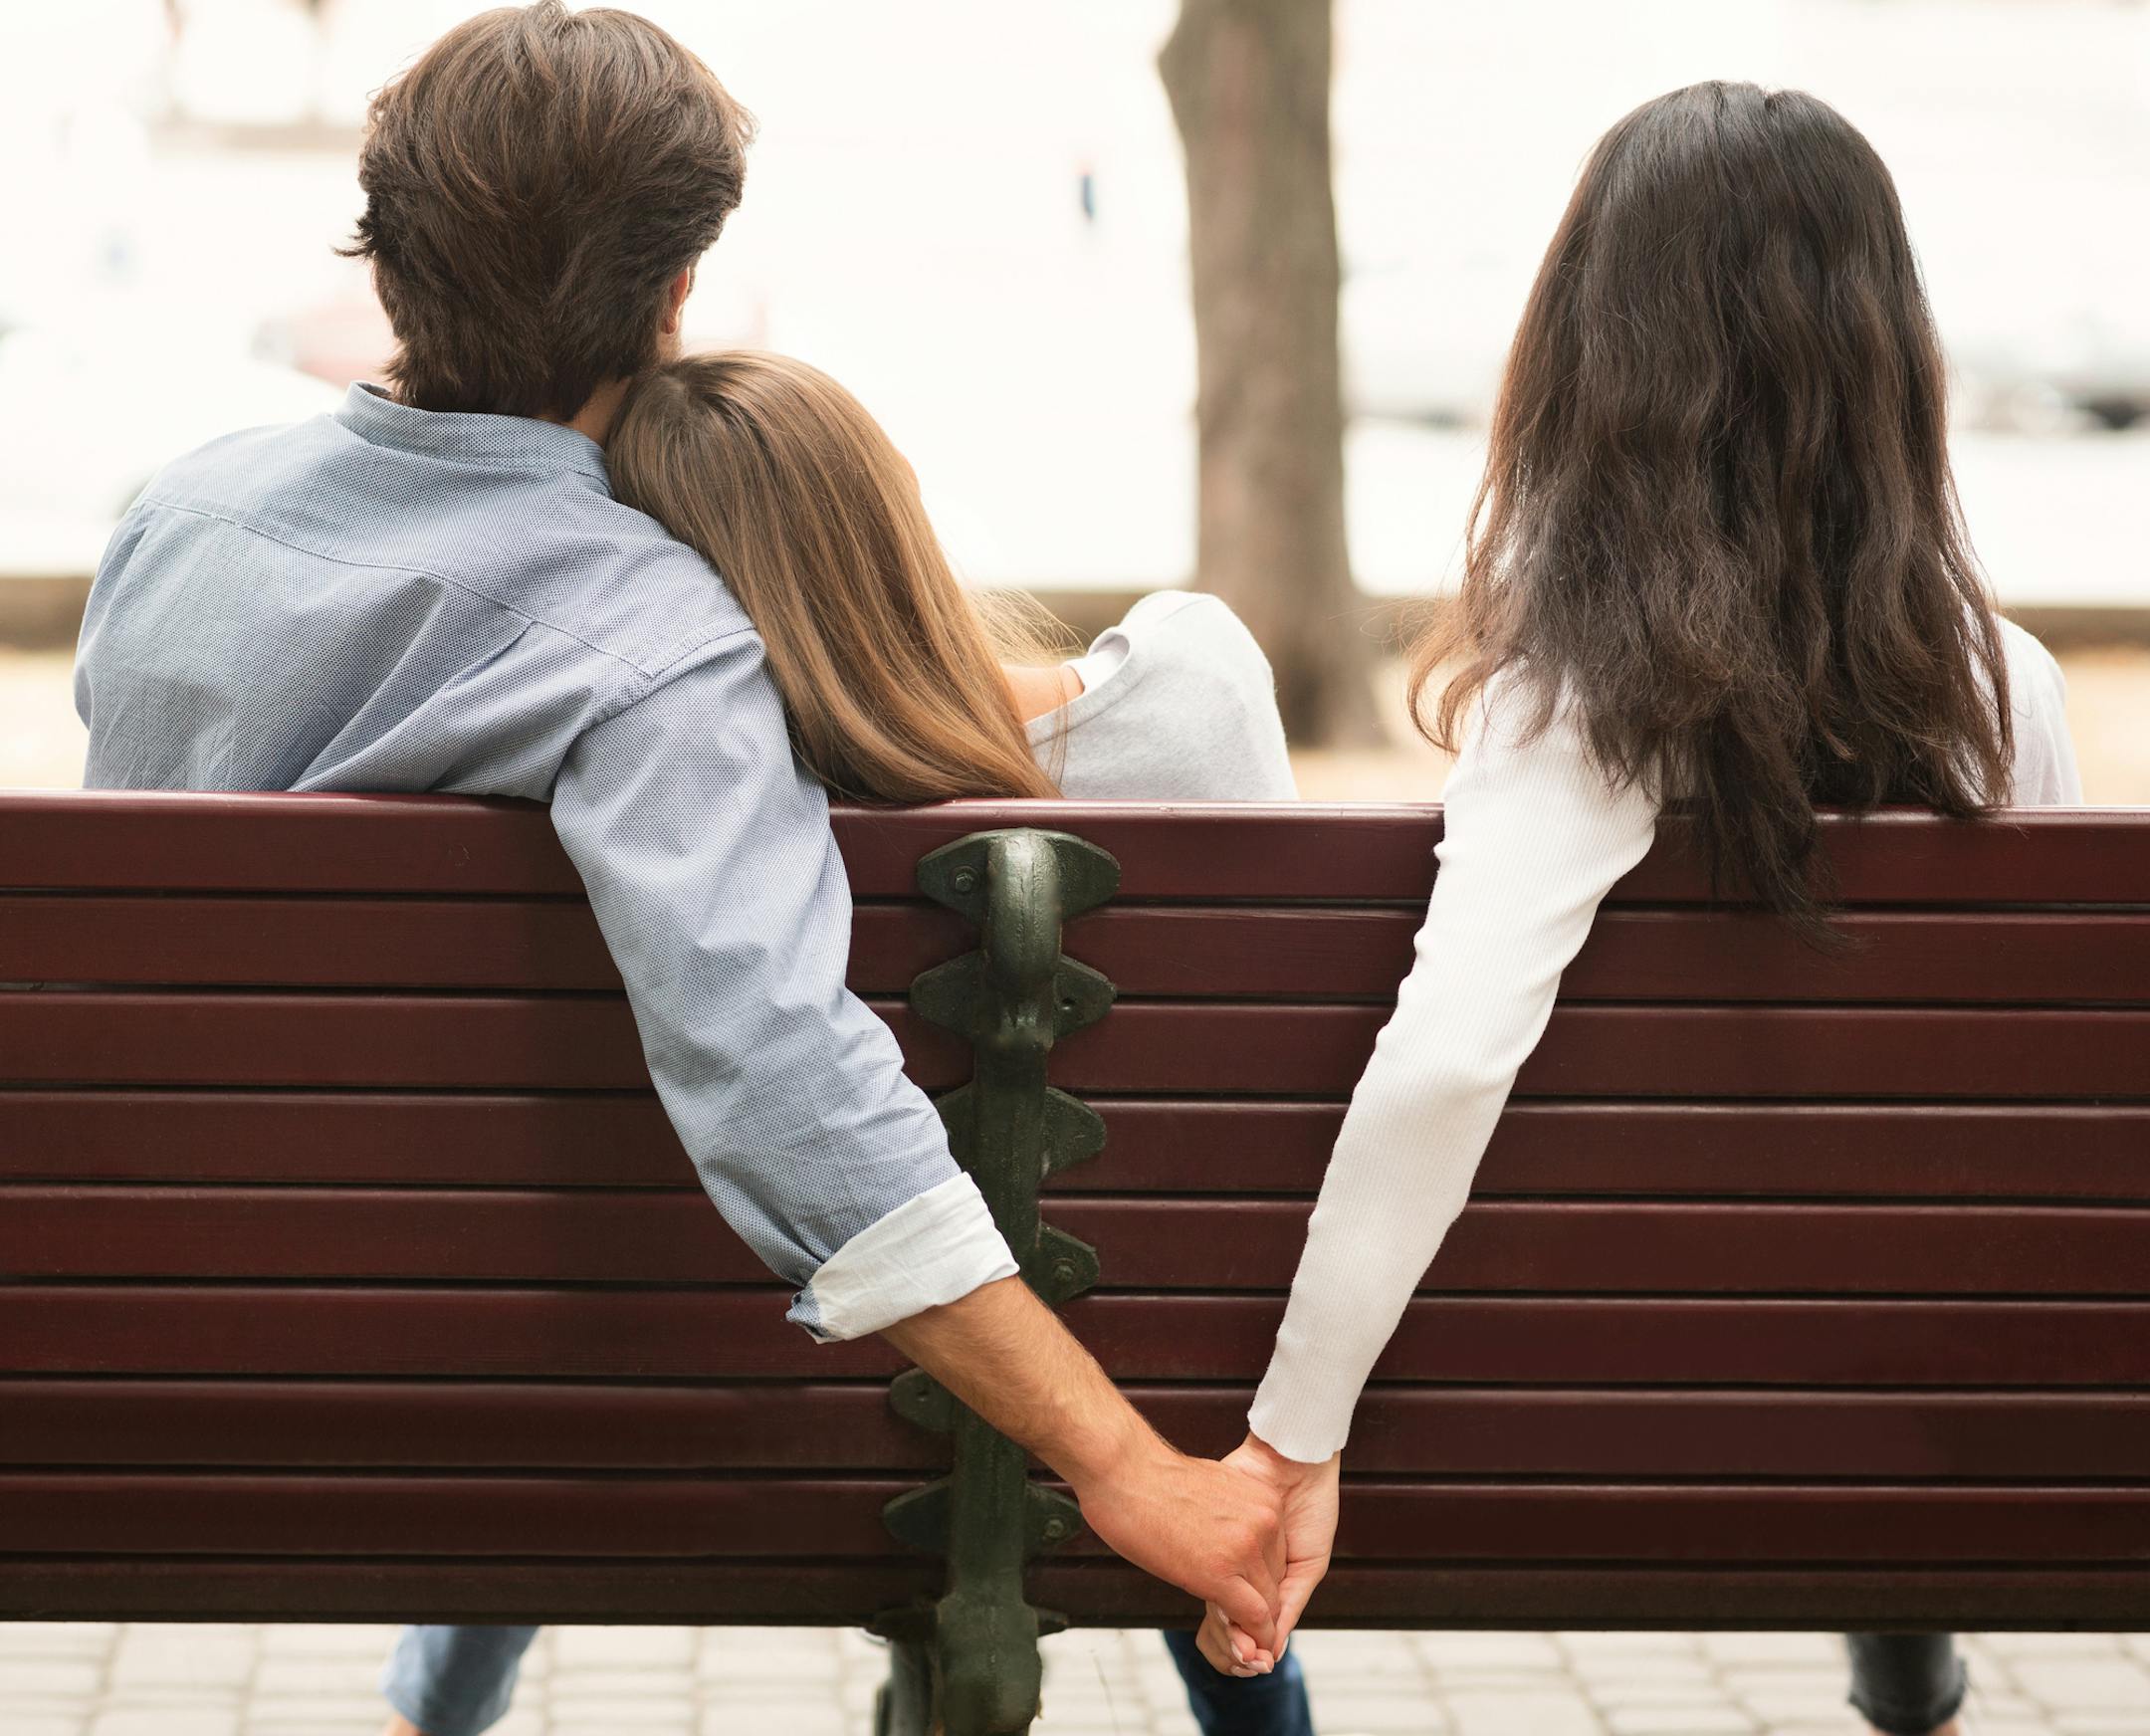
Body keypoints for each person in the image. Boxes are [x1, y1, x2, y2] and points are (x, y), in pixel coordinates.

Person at [66, 0, 1289, 1722]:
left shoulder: (176, 516)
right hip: (574, 1384)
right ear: (673, 297)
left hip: (158, 1350)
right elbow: (775, 1071)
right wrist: (1120, 1459)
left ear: (388, 258)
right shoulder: (651, 645)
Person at [1192, 82, 2082, 1736]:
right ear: (1891, 364)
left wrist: (1293, 1435)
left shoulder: (1577, 706)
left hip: (1603, 1428)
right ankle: (1915, 1673)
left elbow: (1451, 1055)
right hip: (1932, 1431)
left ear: (1591, 363)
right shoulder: (2004, 687)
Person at [380, 348, 1317, 1736]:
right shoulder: (1197, 686)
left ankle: (428, 1715)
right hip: (1119, 1387)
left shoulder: (631, 810)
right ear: (897, 511)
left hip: (709, 1393)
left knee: (596, 1314)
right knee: (1149, 1301)